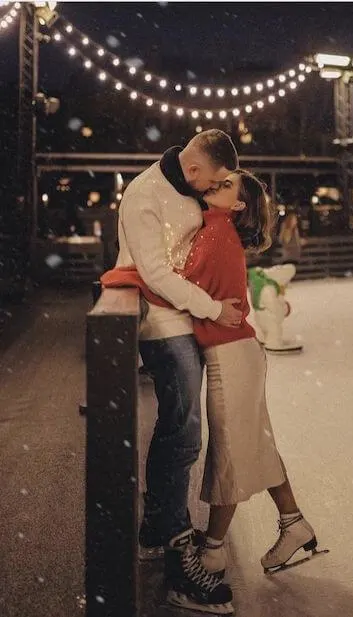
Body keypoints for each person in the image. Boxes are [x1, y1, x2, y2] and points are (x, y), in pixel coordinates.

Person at [103, 170, 322, 595]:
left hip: (232, 355)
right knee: (252, 442)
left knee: (229, 450)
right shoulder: (213, 229)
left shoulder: (217, 235)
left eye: (224, 188)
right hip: (236, 351)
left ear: (237, 205)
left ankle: (215, 547)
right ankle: (293, 522)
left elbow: (176, 287)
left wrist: (125, 276)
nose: (212, 187)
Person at [114, 130, 242, 615]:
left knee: (186, 428)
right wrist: (212, 307)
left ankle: (157, 529)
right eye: (210, 183)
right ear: (193, 171)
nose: (211, 191)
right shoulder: (145, 194)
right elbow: (156, 272)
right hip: (163, 322)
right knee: (185, 431)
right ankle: (173, 551)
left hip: (191, 318)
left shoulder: (191, 189)